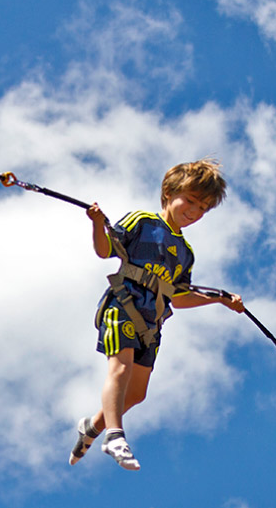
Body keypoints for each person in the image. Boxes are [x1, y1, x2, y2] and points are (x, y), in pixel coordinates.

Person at [70, 159, 244, 471]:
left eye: (202, 208)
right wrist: (97, 222)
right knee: (119, 371)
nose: (193, 211)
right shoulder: (143, 221)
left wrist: (218, 299)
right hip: (123, 305)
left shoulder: (185, 252)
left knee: (136, 393)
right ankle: (115, 436)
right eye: (190, 200)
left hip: (152, 322)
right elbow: (104, 249)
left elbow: (179, 297)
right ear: (169, 192)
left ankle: (92, 429)